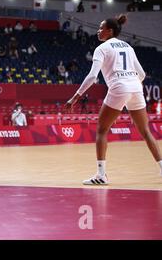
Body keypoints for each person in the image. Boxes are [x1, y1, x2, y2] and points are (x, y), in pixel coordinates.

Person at [65, 14, 162, 185]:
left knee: (102, 130)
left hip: (119, 87)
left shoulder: (101, 48)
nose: (98, 31)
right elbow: (142, 74)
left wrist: (75, 97)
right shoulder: (128, 47)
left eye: (101, 28)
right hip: (136, 87)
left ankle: (101, 175)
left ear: (110, 31)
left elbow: (92, 76)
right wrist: (130, 92)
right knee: (146, 132)